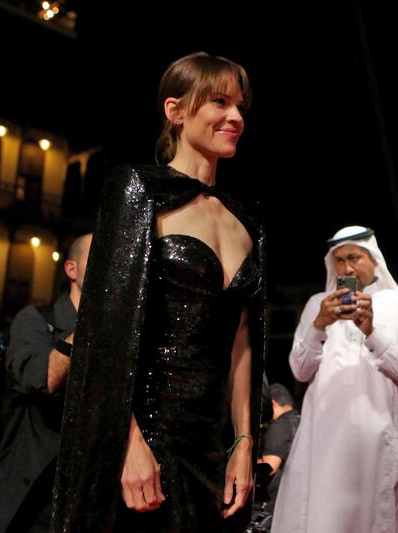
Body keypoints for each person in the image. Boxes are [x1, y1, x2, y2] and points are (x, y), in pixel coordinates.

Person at [52, 52, 266, 533]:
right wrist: (126, 445)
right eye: (219, 102)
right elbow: (104, 331)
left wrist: (244, 442)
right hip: (143, 437)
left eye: (240, 106)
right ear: (176, 110)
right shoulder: (136, 190)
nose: (235, 117)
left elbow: (242, 341)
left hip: (215, 447)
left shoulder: (246, 221)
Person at [272, 225, 398, 533]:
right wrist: (318, 325)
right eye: (339, 260)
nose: (346, 267)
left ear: (374, 259)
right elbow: (300, 371)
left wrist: (371, 330)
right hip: (320, 439)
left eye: (354, 257)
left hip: (374, 435)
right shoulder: (318, 304)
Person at [0, 234, 90, 533]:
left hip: (81, 505)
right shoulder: (34, 320)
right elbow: (43, 379)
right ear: (71, 269)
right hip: (26, 505)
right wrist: (95, 315)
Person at [259, 383, 300, 508]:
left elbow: (269, 467)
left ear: (272, 404)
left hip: (277, 503)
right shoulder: (302, 421)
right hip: (296, 498)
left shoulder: (280, 426)